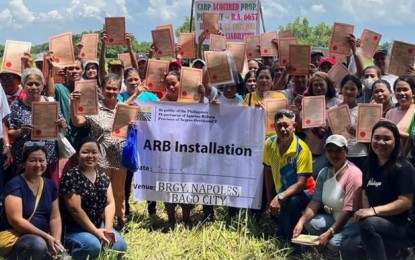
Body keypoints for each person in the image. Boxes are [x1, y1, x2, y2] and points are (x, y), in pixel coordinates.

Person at [341, 120, 415, 260]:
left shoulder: (404, 168)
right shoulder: (369, 164)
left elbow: (405, 202)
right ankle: (394, 253)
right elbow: (364, 192)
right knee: (348, 247)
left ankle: (400, 251)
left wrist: (373, 212)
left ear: (396, 141)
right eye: (377, 138)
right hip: (378, 223)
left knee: (367, 224)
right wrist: (368, 212)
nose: (381, 142)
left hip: (403, 225)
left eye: (387, 139)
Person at [70, 73, 130, 229]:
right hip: (100, 157)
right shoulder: (94, 107)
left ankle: (121, 219)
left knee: (119, 190)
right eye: (108, 88)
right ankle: (103, 221)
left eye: (114, 89)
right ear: (102, 89)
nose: (111, 91)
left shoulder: (126, 108)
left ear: (119, 90)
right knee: (102, 191)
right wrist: (73, 104)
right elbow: (78, 122)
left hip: (120, 156)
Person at [293, 134, 362, 255]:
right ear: (325, 153)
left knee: (334, 244)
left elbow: (348, 211)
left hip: (352, 222)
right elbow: (316, 201)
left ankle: (350, 246)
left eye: (338, 150)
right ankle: (324, 244)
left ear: (346, 151)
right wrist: (300, 223)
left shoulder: (354, 174)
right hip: (333, 217)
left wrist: (329, 232)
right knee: (309, 221)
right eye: (330, 151)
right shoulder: (324, 172)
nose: (334, 155)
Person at [60, 137, 127, 259]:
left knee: (120, 247)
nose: (90, 156)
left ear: (99, 155)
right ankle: (64, 253)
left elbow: (110, 203)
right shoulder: (71, 176)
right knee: (93, 246)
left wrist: (107, 229)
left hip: (97, 224)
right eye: (85, 152)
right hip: (73, 228)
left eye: (94, 152)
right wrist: (96, 232)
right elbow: (75, 210)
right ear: (78, 156)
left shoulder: (103, 177)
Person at [0, 144, 64, 259]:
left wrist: (56, 241)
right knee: (38, 245)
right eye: (33, 160)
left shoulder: (50, 185)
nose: (38, 164)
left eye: (41, 160)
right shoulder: (14, 184)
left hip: (43, 239)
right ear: (24, 163)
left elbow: (55, 217)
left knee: (49, 249)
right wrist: (46, 236)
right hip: (18, 239)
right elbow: (16, 221)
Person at [7, 68, 67, 187]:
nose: (33, 87)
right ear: (23, 86)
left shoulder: (51, 103)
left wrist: (62, 125)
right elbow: (9, 132)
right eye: (29, 84)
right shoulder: (16, 106)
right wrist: (20, 131)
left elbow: (63, 128)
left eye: (37, 84)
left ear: (42, 85)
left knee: (48, 193)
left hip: (48, 158)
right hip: (24, 160)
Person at [264, 109, 315, 240]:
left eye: (286, 125)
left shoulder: (302, 149)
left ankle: (292, 242)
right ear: (274, 126)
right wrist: (271, 199)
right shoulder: (269, 143)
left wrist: (279, 197)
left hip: (307, 192)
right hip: (282, 191)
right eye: (279, 125)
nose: (283, 129)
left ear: (294, 127)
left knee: (292, 201)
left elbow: (301, 184)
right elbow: (268, 171)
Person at [294, 72, 342, 177]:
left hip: (328, 153)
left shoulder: (337, 103)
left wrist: (328, 129)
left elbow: (342, 130)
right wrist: (298, 111)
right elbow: (299, 129)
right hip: (309, 151)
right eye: (315, 85)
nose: (318, 88)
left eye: (321, 84)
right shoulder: (306, 103)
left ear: (327, 85)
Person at [329, 75, 368, 170]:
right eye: (346, 88)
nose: (349, 92)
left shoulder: (364, 110)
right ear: (341, 89)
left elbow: (370, 139)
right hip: (339, 156)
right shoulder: (332, 111)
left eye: (353, 89)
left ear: (359, 91)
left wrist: (356, 133)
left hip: (360, 155)